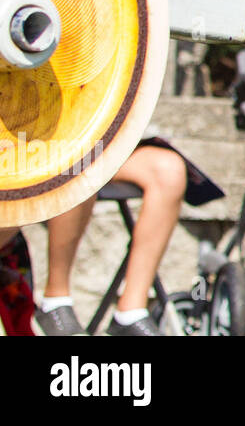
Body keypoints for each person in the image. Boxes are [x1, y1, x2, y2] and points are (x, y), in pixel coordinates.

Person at [35, 143, 188, 336]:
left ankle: (130, 313)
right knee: (80, 157)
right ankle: (55, 301)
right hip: (55, 148)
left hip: (111, 148)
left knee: (169, 171)